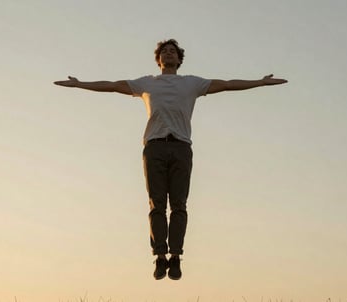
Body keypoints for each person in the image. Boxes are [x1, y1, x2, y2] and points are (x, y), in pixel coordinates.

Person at [54, 39, 287, 280]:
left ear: (179, 59)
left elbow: (227, 84)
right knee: (156, 204)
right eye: (164, 51)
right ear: (158, 59)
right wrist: (80, 84)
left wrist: (260, 82)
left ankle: (175, 256)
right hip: (154, 147)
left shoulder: (192, 83)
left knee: (179, 205)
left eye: (172, 51)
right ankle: (160, 256)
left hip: (181, 148)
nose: (168, 53)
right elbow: (113, 85)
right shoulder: (146, 83)